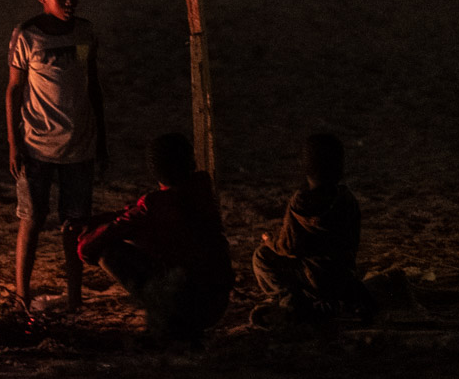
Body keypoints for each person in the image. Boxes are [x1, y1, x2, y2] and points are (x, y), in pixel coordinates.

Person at [6, 0, 108, 312]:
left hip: (79, 145)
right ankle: (21, 297)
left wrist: (102, 139)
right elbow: (14, 91)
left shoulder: (83, 33)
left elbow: (88, 81)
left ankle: (75, 298)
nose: (70, 1)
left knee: (75, 225)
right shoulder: (28, 36)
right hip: (36, 146)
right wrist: (13, 144)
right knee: (31, 220)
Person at [77, 133, 233, 341]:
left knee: (110, 254)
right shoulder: (201, 190)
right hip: (217, 301)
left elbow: (88, 249)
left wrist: (86, 233)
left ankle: (169, 325)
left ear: (155, 169)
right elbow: (132, 213)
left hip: (189, 303)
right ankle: (177, 326)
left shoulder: (154, 206)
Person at [251, 134, 376, 323]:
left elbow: (288, 247)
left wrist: (270, 241)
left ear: (307, 168)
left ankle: (290, 300)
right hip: (343, 279)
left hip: (314, 278)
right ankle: (329, 303)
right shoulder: (347, 199)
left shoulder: (301, 202)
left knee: (261, 256)